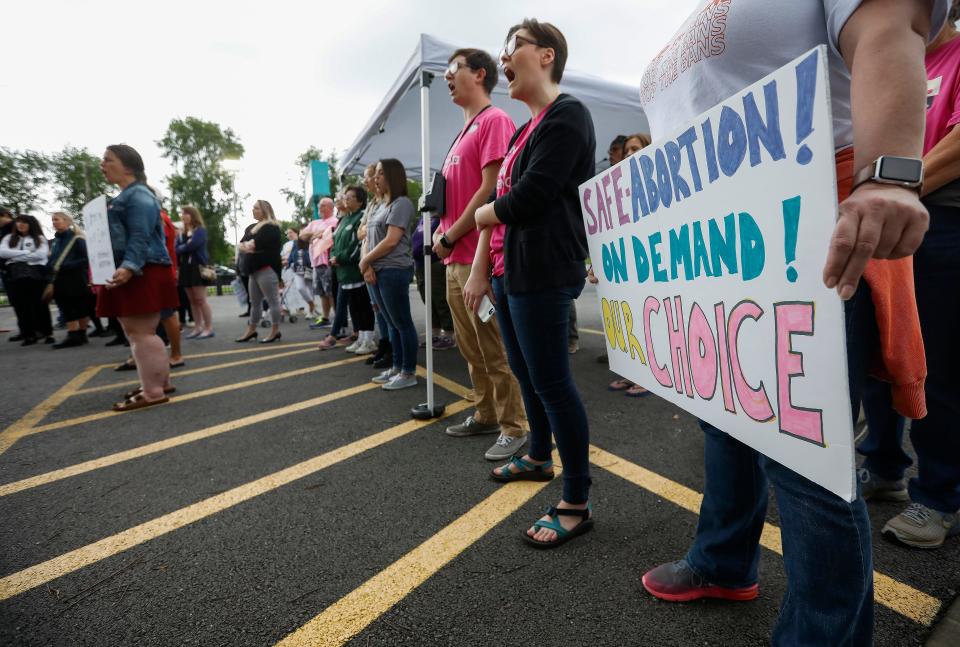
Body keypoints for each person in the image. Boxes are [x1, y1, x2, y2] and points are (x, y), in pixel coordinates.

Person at [635, 2, 948, 645]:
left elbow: (890, 25)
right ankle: (722, 561)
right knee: (723, 417)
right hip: (711, 243)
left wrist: (887, 172)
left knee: (806, 463)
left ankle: (819, 633)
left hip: (800, 224)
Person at [468, 19, 596, 547]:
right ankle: (539, 456)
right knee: (525, 373)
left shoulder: (568, 115)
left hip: (544, 268)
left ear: (546, 55)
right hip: (507, 269)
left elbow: (531, 196)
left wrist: (479, 216)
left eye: (513, 46)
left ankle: (577, 499)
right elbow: (503, 204)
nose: (504, 56)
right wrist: (480, 263)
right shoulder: (524, 129)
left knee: (552, 382)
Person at [858, 1, 960, 549]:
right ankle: (885, 467)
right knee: (881, 354)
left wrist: (893, 188)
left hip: (941, 222)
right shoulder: (890, 57)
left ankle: (938, 497)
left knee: (938, 368)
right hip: (887, 221)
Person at [431, 46, 530, 461]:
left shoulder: (494, 120)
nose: (447, 77)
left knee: (494, 348)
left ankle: (514, 426)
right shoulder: (463, 131)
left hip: (478, 258)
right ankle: (486, 412)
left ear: (481, 74)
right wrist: (443, 233)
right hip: (455, 257)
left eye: (454, 70)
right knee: (471, 348)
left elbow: (490, 191)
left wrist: (451, 235)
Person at [97, 145, 179, 410]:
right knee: (141, 331)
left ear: (128, 167)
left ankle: (153, 391)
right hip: (143, 268)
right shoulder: (133, 195)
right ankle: (159, 383)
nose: (102, 164)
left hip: (143, 269)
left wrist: (129, 266)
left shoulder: (137, 196)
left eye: (108, 160)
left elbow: (140, 236)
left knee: (140, 333)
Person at [360, 159, 419, 390]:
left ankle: (408, 372)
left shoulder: (401, 203)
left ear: (393, 176)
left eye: (381, 173)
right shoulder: (381, 205)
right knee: (392, 323)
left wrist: (366, 260)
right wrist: (368, 265)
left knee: (402, 323)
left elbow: (392, 240)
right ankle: (396, 367)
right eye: (376, 174)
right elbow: (367, 238)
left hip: (394, 270)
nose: (376, 177)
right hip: (378, 270)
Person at [606, 132, 654, 396]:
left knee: (646, 321)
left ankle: (648, 377)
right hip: (626, 268)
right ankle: (630, 372)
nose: (629, 156)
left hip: (647, 267)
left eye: (636, 150)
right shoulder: (616, 193)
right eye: (626, 152)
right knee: (628, 321)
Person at [323, 185, 376, 354]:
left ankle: (369, 340)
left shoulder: (360, 218)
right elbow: (335, 242)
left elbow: (357, 245)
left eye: (350, 197)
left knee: (363, 305)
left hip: (355, 270)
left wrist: (340, 258)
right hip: (343, 272)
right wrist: (334, 256)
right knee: (354, 307)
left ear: (360, 201)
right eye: (345, 196)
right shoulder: (344, 219)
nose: (346, 199)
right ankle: (360, 337)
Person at [359, 163, 393, 369]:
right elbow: (360, 233)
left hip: (380, 264)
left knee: (388, 313)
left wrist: (368, 262)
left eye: (369, 177)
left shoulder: (388, 203)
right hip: (368, 262)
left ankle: (391, 349)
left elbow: (377, 236)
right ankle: (384, 346)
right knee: (378, 309)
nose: (367, 181)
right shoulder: (373, 203)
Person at [1, 214, 53, 345]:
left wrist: (14, 258)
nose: (20, 225)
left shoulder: (39, 238)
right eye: (18, 222)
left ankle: (47, 333)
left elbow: (41, 255)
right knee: (22, 307)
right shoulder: (9, 238)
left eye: (24, 222)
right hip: (16, 276)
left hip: (36, 276)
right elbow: (2, 253)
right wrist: (27, 253)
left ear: (31, 224)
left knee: (40, 305)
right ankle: (29, 335)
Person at [236, 200, 283, 343]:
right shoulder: (252, 227)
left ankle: (275, 331)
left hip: (267, 269)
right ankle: (251, 330)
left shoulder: (271, 227)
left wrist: (249, 246)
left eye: (256, 208)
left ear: (264, 210)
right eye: (253, 208)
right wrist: (248, 246)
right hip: (254, 270)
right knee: (254, 302)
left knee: (272, 301)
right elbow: (242, 245)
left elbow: (253, 245)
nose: (253, 210)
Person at [47, 212, 95, 349]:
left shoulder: (77, 239)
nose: (54, 222)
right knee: (65, 306)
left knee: (79, 306)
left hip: (75, 277)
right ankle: (75, 334)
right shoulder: (56, 241)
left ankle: (79, 334)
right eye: (52, 220)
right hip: (60, 278)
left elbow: (86, 259)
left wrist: (67, 265)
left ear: (67, 221)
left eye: (57, 219)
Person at [413, 213, 455, 350]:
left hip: (434, 263)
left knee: (440, 299)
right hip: (420, 265)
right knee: (428, 300)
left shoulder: (440, 217)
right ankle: (434, 335)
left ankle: (449, 335)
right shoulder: (424, 217)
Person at [176, 205, 214, 339]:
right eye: (182, 213)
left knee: (201, 299)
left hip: (197, 268)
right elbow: (177, 248)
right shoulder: (182, 233)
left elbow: (192, 246)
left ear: (193, 215)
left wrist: (183, 247)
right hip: (185, 268)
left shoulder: (200, 230)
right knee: (191, 300)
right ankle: (198, 327)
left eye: (186, 213)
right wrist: (183, 247)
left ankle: (209, 328)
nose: (183, 216)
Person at [301, 197, 338, 327]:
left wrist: (318, 234)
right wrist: (316, 234)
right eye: (319, 206)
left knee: (331, 291)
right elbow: (302, 235)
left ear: (331, 207)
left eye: (323, 205)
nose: (319, 208)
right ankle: (325, 318)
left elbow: (331, 235)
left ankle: (338, 319)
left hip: (328, 261)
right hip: (316, 263)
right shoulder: (315, 222)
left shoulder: (335, 221)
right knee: (322, 292)